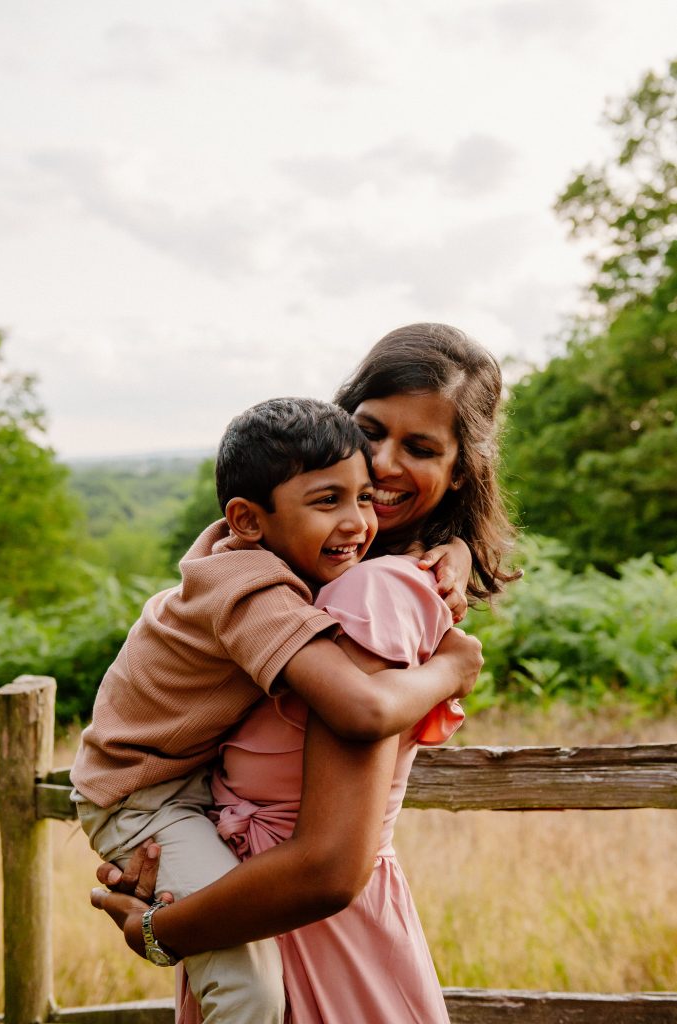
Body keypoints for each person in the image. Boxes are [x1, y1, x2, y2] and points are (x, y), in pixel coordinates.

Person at [92, 323, 519, 1020]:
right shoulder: (294, 575)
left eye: (419, 448)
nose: (380, 465)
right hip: (243, 904)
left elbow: (328, 856)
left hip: (304, 934)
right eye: (369, 430)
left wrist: (159, 930)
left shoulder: (368, 590)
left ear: (460, 469)